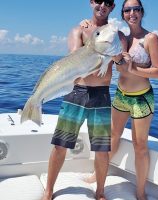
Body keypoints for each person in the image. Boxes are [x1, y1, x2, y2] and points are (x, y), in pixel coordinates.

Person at [42, 1, 127, 200]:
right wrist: (91, 40)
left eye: (108, 2)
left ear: (112, 7)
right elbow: (73, 57)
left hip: (102, 95)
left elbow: (123, 68)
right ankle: (48, 190)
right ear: (91, 2)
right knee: (60, 145)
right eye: (99, 0)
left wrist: (117, 57)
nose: (102, 5)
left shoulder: (118, 36)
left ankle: (100, 191)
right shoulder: (78, 30)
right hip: (76, 92)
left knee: (101, 149)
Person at [83, 0, 158, 200]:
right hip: (121, 95)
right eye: (127, 10)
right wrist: (87, 24)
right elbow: (100, 39)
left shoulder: (150, 38)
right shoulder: (122, 39)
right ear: (123, 14)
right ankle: (98, 174)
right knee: (112, 136)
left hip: (141, 98)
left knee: (140, 145)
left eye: (136, 9)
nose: (132, 13)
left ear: (142, 12)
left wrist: (133, 68)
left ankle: (140, 192)